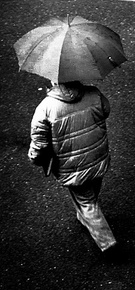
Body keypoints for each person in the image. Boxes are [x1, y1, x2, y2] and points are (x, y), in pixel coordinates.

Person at [28, 80, 117, 253]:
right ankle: (85, 218)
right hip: (97, 157)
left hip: (72, 167)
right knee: (92, 190)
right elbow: (105, 111)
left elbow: (39, 144)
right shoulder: (94, 94)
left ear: (53, 81)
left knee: (87, 201)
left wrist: (35, 158)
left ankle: (108, 244)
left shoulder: (45, 108)